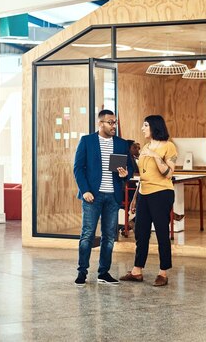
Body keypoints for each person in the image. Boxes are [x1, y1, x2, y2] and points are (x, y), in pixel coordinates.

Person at [73, 109, 133, 286]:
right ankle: (82, 272)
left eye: (115, 122)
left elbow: (129, 169)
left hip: (113, 197)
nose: (114, 126)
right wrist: (85, 190)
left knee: (109, 237)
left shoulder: (121, 144)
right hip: (92, 196)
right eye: (110, 122)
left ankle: (104, 273)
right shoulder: (87, 141)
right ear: (100, 123)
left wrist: (125, 174)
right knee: (87, 235)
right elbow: (78, 168)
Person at [120, 115, 177, 287]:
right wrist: (135, 198)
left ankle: (163, 272)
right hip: (144, 193)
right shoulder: (145, 146)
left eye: (145, 125)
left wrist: (155, 156)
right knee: (141, 232)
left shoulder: (169, 146)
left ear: (154, 126)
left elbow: (168, 173)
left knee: (161, 233)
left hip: (161, 193)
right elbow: (144, 175)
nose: (142, 128)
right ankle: (137, 270)